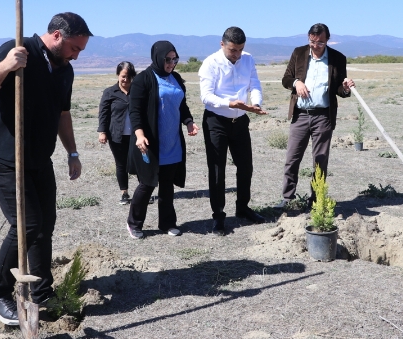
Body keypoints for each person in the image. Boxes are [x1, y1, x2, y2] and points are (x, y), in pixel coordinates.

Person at [0, 12, 92, 326]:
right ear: (55, 36)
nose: (76, 55)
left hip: (39, 159)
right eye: (74, 48)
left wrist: (72, 152)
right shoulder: (17, 48)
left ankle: (40, 292)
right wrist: (8, 65)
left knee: (45, 225)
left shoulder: (65, 71)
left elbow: (63, 113)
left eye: (80, 50)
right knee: (26, 225)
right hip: (4, 158)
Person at [126, 40, 199, 239]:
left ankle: (167, 222)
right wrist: (139, 135)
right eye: (168, 59)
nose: (171, 63)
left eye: (175, 59)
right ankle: (134, 223)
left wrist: (189, 122)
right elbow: (135, 112)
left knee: (167, 186)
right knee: (148, 183)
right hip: (150, 143)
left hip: (172, 142)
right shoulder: (143, 80)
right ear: (158, 57)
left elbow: (181, 105)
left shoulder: (175, 77)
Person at [277, 23, 355, 209]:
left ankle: (316, 199)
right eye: (312, 42)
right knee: (292, 158)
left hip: (323, 116)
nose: (315, 46)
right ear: (308, 38)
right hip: (300, 115)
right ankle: (287, 198)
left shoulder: (337, 58)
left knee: (320, 160)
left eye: (320, 43)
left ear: (327, 39)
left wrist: (344, 89)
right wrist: (297, 83)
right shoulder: (299, 53)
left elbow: (338, 89)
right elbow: (285, 79)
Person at [198, 26, 267, 236]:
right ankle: (218, 216)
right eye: (232, 50)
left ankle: (243, 207)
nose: (236, 54)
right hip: (216, 121)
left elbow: (254, 83)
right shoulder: (210, 63)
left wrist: (256, 103)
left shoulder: (248, 59)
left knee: (246, 166)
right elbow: (206, 96)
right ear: (222, 45)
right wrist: (230, 103)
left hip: (240, 121)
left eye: (240, 49)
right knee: (218, 170)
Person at [97, 61, 137, 205]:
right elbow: (103, 113)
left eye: (129, 77)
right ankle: (124, 193)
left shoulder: (138, 90)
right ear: (118, 75)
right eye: (123, 76)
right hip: (116, 135)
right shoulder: (110, 92)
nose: (126, 80)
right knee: (121, 164)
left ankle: (141, 192)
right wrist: (102, 131)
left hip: (136, 135)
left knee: (138, 163)